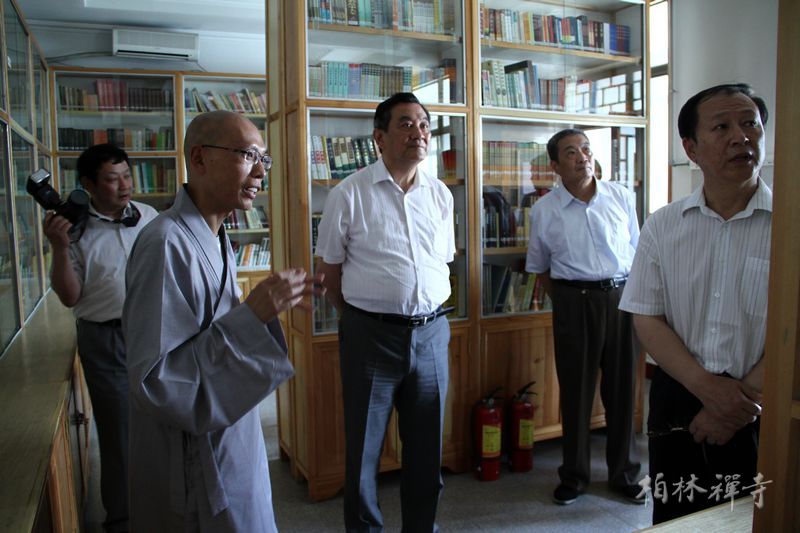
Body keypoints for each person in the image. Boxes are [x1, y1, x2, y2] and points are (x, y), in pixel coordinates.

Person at [122, 110, 323, 532]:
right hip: (193, 460)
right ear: (199, 158)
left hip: (230, 433)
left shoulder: (216, 238)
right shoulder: (165, 244)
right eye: (248, 156)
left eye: (263, 160)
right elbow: (156, 382)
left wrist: (258, 312)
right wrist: (252, 316)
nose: (260, 173)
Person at [619, 83, 769, 524]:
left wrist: (738, 404)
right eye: (722, 127)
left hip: (764, 401)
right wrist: (707, 388)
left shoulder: (791, 226)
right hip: (679, 397)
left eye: (750, 124)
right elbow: (647, 317)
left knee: (756, 519)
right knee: (676, 517)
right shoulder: (663, 225)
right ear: (691, 148)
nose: (741, 137)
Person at [315, 92, 455, 532]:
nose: (419, 133)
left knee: (427, 451)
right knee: (363, 451)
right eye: (406, 124)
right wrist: (361, 319)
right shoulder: (349, 193)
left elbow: (442, 261)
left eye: (424, 124)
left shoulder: (440, 194)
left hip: (432, 334)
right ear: (379, 137)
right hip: (370, 336)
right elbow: (328, 273)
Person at [525, 128, 643, 506]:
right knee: (576, 391)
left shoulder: (620, 197)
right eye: (571, 152)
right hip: (573, 302)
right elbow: (540, 267)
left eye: (586, 149)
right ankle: (574, 476)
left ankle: (625, 473)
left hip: (621, 299)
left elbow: (638, 252)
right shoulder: (545, 210)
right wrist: (569, 299)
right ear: (555, 165)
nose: (582, 157)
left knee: (622, 390)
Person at [43, 143, 157, 533]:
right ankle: (122, 520)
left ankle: (163, 507)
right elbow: (69, 296)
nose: (125, 185)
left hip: (153, 331)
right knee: (118, 433)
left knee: (162, 423)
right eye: (112, 179)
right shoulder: (72, 229)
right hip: (105, 339)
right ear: (88, 185)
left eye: (127, 175)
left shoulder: (149, 217)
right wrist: (60, 248)